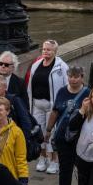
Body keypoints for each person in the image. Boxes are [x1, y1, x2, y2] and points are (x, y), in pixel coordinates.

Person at [50, 66, 91, 185]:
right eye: (70, 76)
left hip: (81, 136)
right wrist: (48, 130)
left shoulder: (88, 93)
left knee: (81, 167)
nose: (73, 79)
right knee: (65, 169)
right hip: (63, 136)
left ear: (82, 77)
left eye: (76, 76)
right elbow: (55, 111)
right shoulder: (62, 91)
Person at [26, 39, 68, 174]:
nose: (45, 52)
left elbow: (66, 87)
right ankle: (42, 158)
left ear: (55, 51)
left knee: (52, 133)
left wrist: (63, 106)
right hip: (37, 104)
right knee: (40, 133)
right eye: (44, 49)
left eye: (49, 49)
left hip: (52, 106)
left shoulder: (61, 67)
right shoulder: (36, 65)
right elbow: (29, 86)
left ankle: (54, 161)